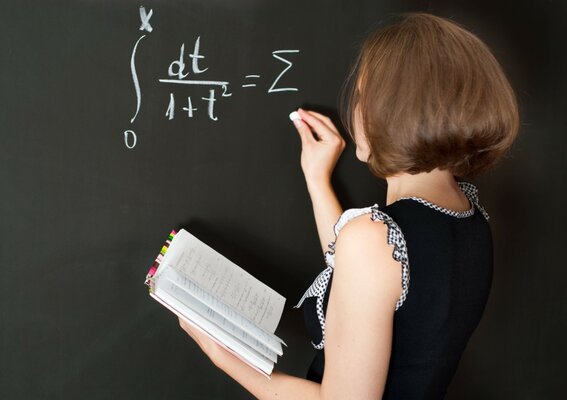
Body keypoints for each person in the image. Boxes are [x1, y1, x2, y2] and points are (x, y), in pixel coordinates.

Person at [177, 11, 519, 399]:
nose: (357, 108)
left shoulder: (377, 241)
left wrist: (226, 356)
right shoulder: (470, 217)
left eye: (363, 94)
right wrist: (317, 179)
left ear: (394, 110)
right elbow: (364, 280)